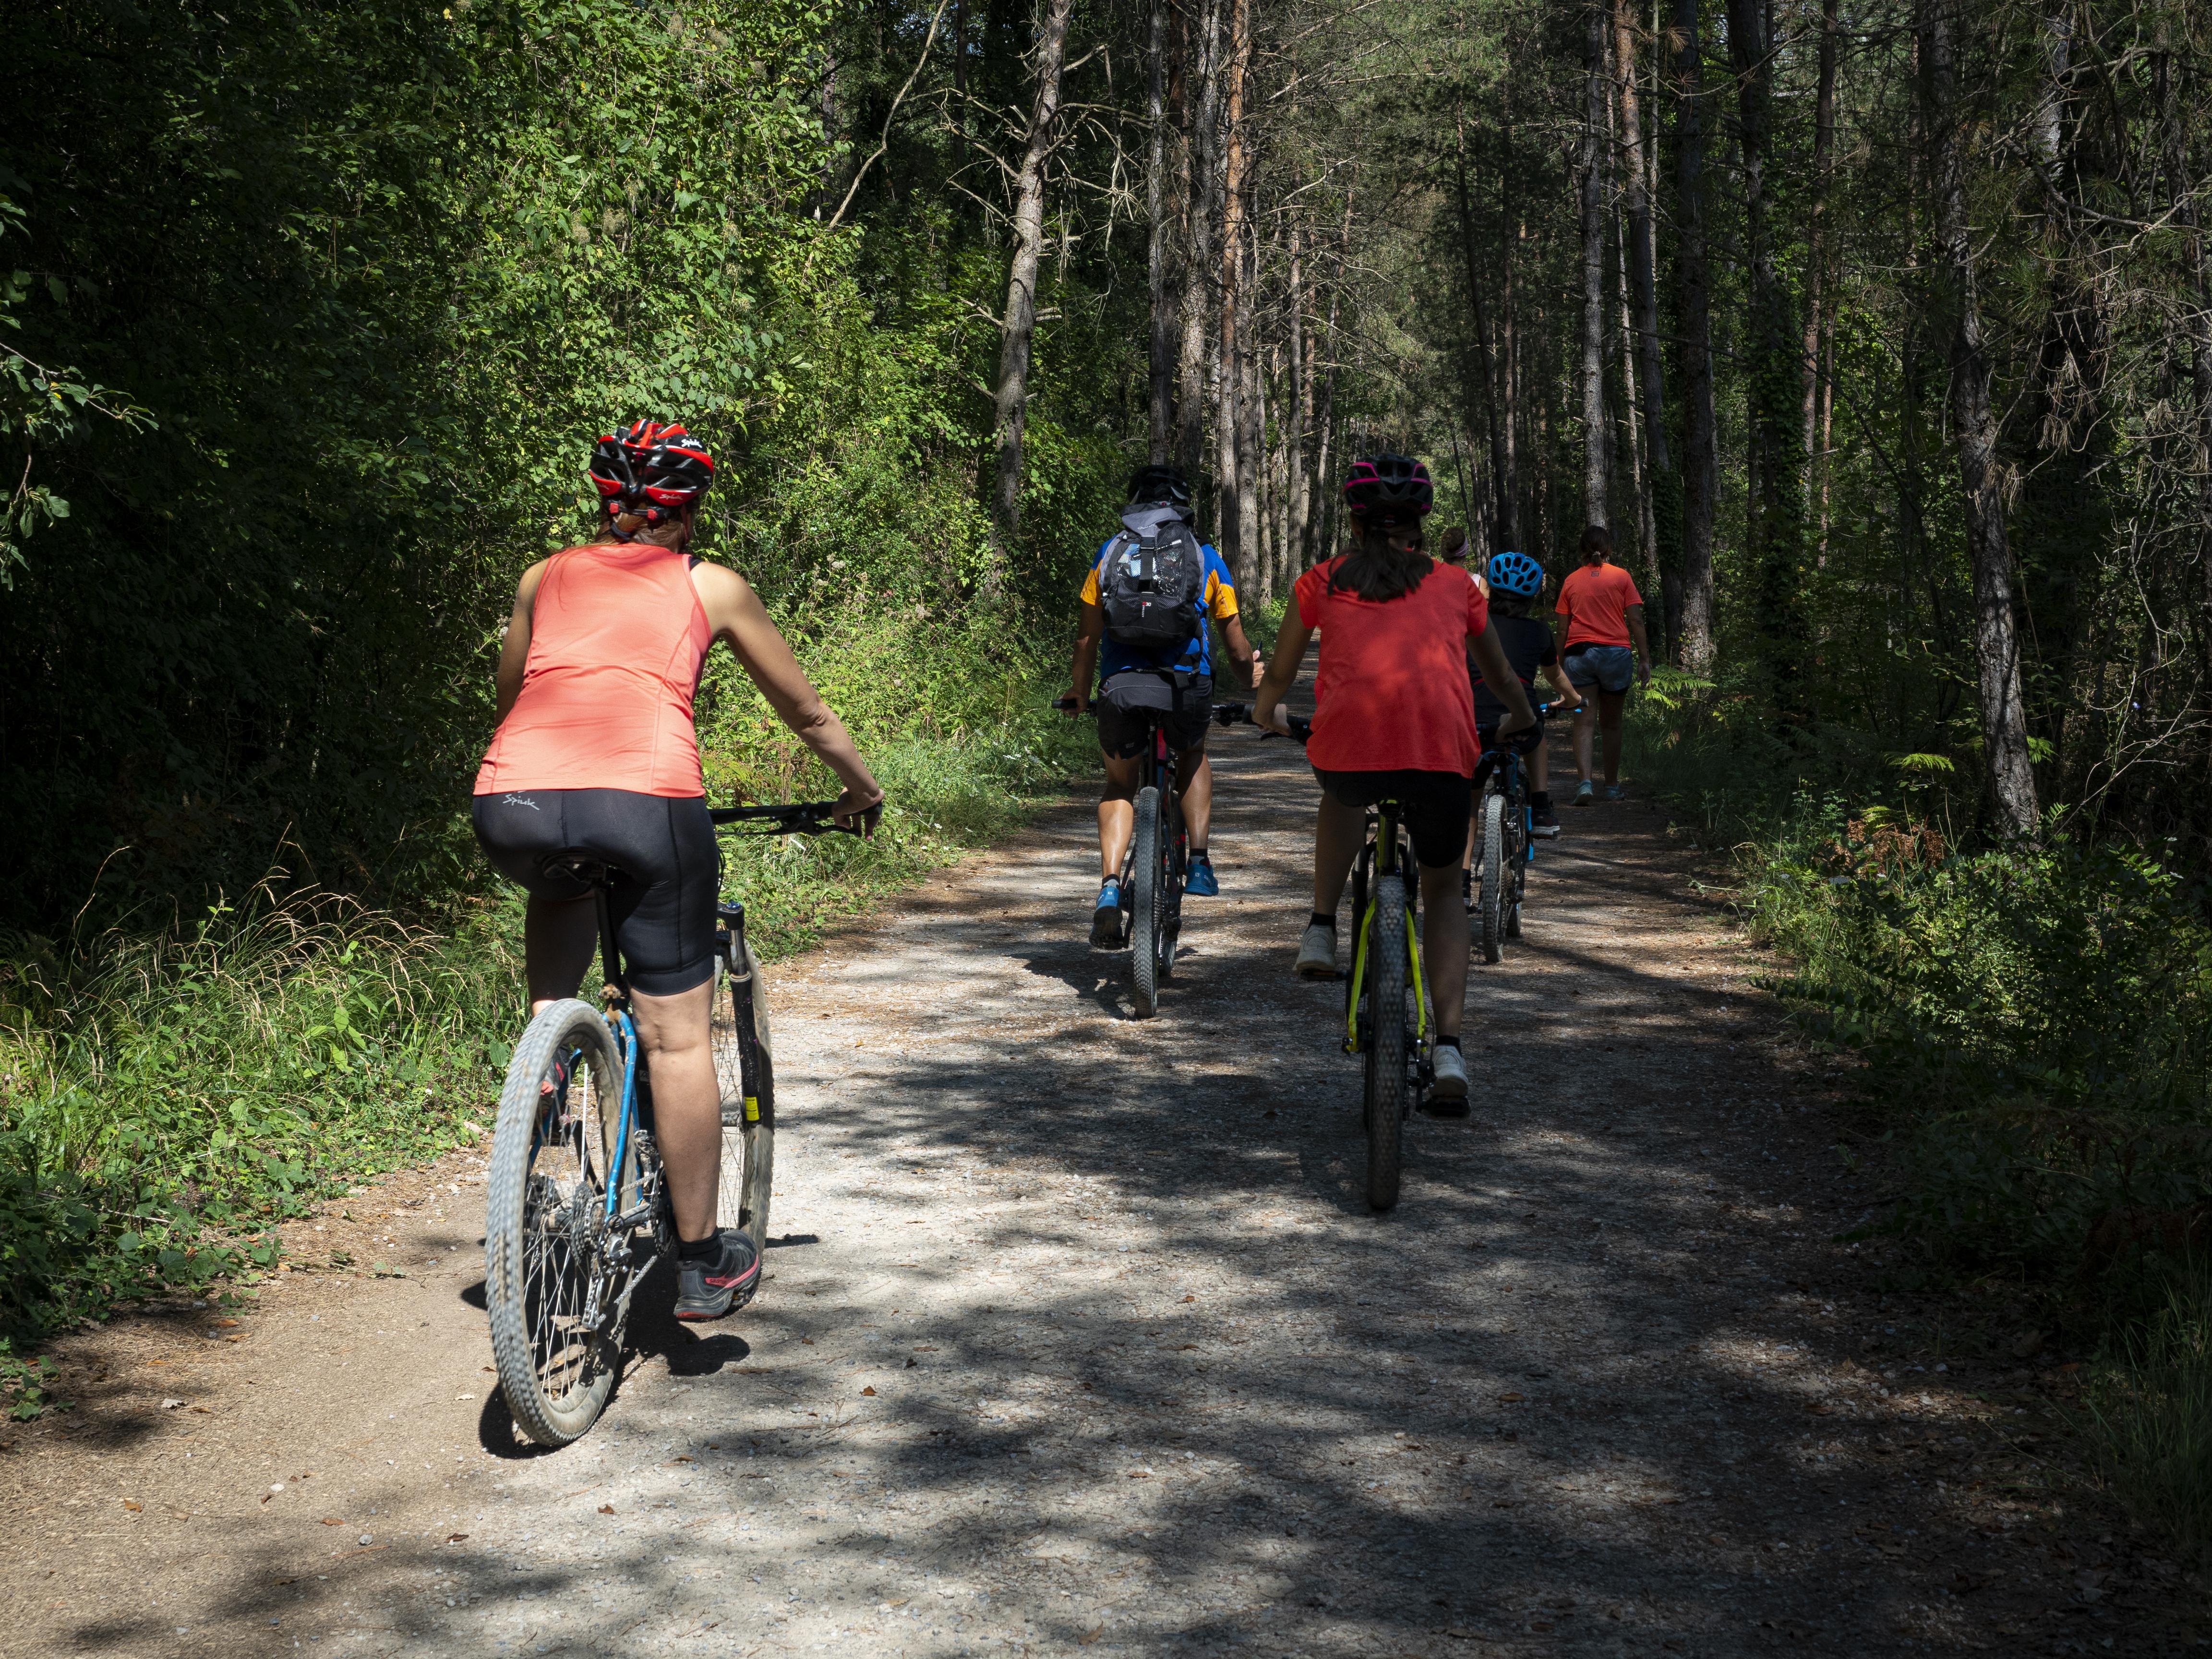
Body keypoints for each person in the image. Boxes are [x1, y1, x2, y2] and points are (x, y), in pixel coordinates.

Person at [473, 421, 884, 1322]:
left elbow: (512, 691)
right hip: (644, 803)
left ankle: (545, 1051)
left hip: (512, 800)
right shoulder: (710, 586)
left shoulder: (545, 576)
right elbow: (807, 714)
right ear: (688, 512)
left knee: (562, 877)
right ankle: (701, 1260)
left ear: (602, 502)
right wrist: (859, 788)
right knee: (677, 1038)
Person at [1252, 455, 1537, 1113]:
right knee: (1440, 888)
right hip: (1442, 755)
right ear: (1420, 523)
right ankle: (1450, 1049)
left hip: (1349, 750)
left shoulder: (1321, 580)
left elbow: (1281, 673)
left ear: (1355, 522)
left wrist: (1269, 714)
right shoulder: (1456, 586)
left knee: (1342, 786)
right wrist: (1520, 719)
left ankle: (1321, 926)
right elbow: (1497, 676)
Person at [1064, 464, 1260, 947]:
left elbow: (1087, 640)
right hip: (1185, 689)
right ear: (1183, 509)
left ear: (1134, 507)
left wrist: (1079, 693)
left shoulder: (1109, 553)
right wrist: (1253, 683)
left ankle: (1110, 887)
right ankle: (1198, 863)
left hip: (1122, 690)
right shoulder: (1205, 556)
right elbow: (1236, 647)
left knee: (1118, 783)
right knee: (1191, 753)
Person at [1469, 550, 1581, 857]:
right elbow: (1555, 675)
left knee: (1470, 805)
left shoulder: (1470, 626)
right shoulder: (1538, 632)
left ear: (1489, 590)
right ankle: (1542, 806)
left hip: (1474, 723)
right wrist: (1572, 700)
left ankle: (1463, 884)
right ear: (1531, 599)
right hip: (1522, 721)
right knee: (1537, 734)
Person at [1554, 523, 1651, 804]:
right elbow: (1636, 621)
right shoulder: (1622, 578)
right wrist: (1644, 659)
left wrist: (1559, 664)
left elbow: (1562, 630)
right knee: (1612, 725)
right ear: (1608, 549)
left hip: (1579, 655)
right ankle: (1611, 787)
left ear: (1582, 550)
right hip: (1615, 656)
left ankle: (1585, 784)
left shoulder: (1571, 581)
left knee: (1583, 724)